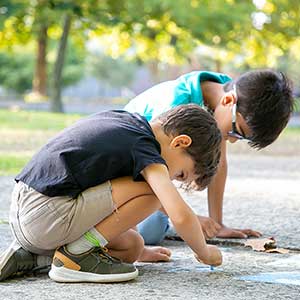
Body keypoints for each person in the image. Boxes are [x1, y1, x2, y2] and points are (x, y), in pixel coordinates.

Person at [0, 104, 222, 283]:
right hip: (45, 215)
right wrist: (203, 251)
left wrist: (141, 251)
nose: (172, 179)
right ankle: (76, 256)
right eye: (181, 174)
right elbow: (179, 214)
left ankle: (33, 258)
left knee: (131, 246)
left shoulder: (127, 124)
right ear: (180, 142)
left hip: (28, 212)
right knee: (154, 193)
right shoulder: (146, 149)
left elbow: (115, 195)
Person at [125, 69, 294, 245]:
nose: (234, 140)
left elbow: (219, 163)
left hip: (155, 170)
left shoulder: (225, 98)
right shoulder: (174, 106)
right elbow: (150, 174)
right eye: (237, 131)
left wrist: (217, 224)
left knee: (158, 221)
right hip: (127, 170)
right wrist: (189, 219)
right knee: (149, 232)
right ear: (229, 101)